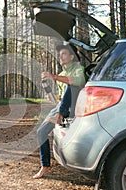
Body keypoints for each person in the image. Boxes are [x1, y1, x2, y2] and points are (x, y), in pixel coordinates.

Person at [33, 44, 86, 179]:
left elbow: (79, 81)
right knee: (41, 132)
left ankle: (59, 116)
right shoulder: (61, 74)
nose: (60, 57)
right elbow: (55, 100)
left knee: (71, 84)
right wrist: (45, 85)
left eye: (64, 54)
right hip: (61, 107)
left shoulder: (79, 69)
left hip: (74, 107)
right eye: (60, 54)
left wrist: (54, 77)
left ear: (71, 57)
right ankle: (45, 165)